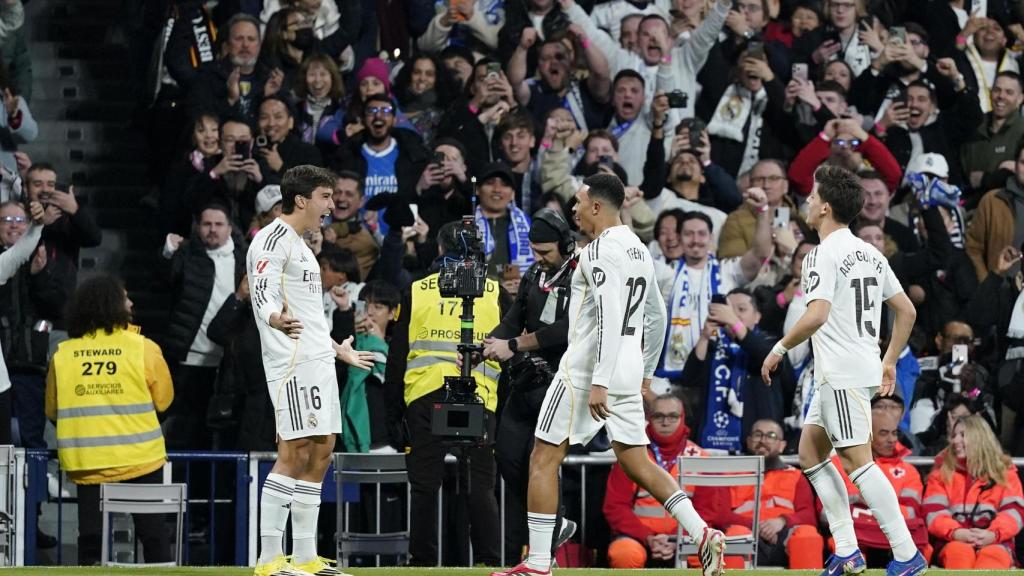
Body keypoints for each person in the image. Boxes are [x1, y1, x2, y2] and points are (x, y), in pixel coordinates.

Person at [491, 173, 727, 576]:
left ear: (597, 206)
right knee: (637, 460)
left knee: (542, 459)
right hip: (627, 367)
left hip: (586, 371)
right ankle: (703, 533)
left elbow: (611, 315)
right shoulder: (638, 248)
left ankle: (537, 563)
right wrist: (646, 372)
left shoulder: (599, 250)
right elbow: (656, 314)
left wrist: (599, 379)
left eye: (579, 202)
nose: (575, 209)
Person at [761, 165, 927, 576]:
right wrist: (888, 359)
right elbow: (905, 310)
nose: (808, 201)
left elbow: (816, 315)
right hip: (857, 366)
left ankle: (906, 555)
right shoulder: (870, 251)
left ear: (826, 208)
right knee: (811, 454)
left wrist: (779, 347)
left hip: (841, 371)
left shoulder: (821, 253)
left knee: (857, 462)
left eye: (813, 197)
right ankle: (848, 550)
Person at [248, 165, 375, 576]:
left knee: (322, 449)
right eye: (324, 196)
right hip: (292, 361)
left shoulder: (301, 245)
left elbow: (306, 312)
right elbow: (263, 291)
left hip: (317, 358)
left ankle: (303, 556)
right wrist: (273, 319)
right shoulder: (270, 239)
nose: (331, 204)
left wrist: (338, 350)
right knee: (294, 450)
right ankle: (268, 559)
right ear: (301, 199)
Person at [383, 220, 506, 567]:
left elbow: (397, 355)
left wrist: (393, 412)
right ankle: (488, 563)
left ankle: (421, 565)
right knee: (480, 487)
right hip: (481, 396)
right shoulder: (496, 292)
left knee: (424, 487)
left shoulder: (418, 289)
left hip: (425, 394)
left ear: (439, 250)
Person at [45, 275, 173, 566]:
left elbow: (53, 411)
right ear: (111, 304)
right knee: (153, 537)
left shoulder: (63, 355)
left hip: (88, 463)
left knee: (91, 542)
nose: (131, 302)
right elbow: (164, 401)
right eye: (125, 297)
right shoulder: (143, 348)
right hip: (141, 460)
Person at [485, 208, 577, 564]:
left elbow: (565, 330)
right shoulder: (534, 275)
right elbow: (514, 318)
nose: (539, 258)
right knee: (507, 457)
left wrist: (514, 346)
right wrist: (490, 342)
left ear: (565, 244)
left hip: (560, 382)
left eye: (545, 252)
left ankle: (545, 546)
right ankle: (554, 523)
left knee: (542, 463)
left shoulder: (580, 276)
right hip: (527, 381)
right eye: (535, 251)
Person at [603, 394, 711, 569]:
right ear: (648, 419)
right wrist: (648, 537)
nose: (665, 422)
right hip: (640, 538)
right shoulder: (630, 457)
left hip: (689, 538)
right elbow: (615, 507)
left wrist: (680, 540)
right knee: (623, 553)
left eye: (672, 416)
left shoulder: (702, 458)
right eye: (658, 416)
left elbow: (709, 511)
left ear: (682, 418)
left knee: (712, 552)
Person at [923, 414, 1024, 569]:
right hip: (953, 541)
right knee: (958, 553)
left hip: (996, 541)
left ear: (980, 438)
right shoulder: (940, 473)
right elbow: (934, 513)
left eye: (963, 435)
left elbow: (1014, 513)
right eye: (954, 435)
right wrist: (956, 533)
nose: (955, 440)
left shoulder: (1006, 473)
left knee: (994, 556)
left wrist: (993, 534)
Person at [719, 419, 823, 569]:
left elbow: (809, 516)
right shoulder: (729, 475)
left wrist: (781, 521)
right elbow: (720, 516)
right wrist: (758, 528)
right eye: (757, 435)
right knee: (734, 535)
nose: (763, 440)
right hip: (745, 533)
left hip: (784, 534)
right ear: (748, 441)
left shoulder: (796, 476)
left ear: (782, 445)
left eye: (771, 436)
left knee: (808, 533)